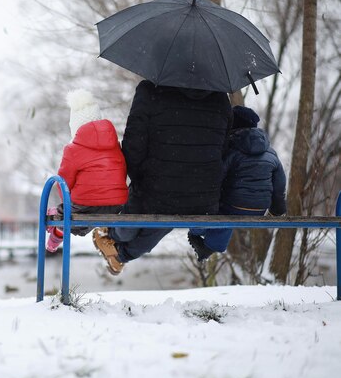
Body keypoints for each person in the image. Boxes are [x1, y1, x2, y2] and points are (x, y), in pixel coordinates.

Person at [93, 80, 232, 275]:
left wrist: (141, 177)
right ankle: (120, 254)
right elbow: (223, 149)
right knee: (166, 212)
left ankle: (109, 233)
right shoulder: (220, 98)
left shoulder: (151, 90)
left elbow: (133, 143)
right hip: (203, 198)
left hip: (155, 190)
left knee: (142, 208)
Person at [187, 105, 287, 261]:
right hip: (260, 208)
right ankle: (209, 246)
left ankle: (197, 234)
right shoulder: (270, 152)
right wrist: (277, 210)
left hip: (233, 206)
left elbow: (217, 176)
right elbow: (280, 183)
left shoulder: (231, 148)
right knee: (228, 212)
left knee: (221, 211)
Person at [46, 89, 128, 252]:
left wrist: (68, 202)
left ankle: (56, 236)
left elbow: (64, 184)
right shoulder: (115, 146)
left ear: (75, 126)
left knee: (68, 216)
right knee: (80, 212)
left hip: (85, 205)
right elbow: (122, 172)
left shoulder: (73, 149)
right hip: (117, 204)